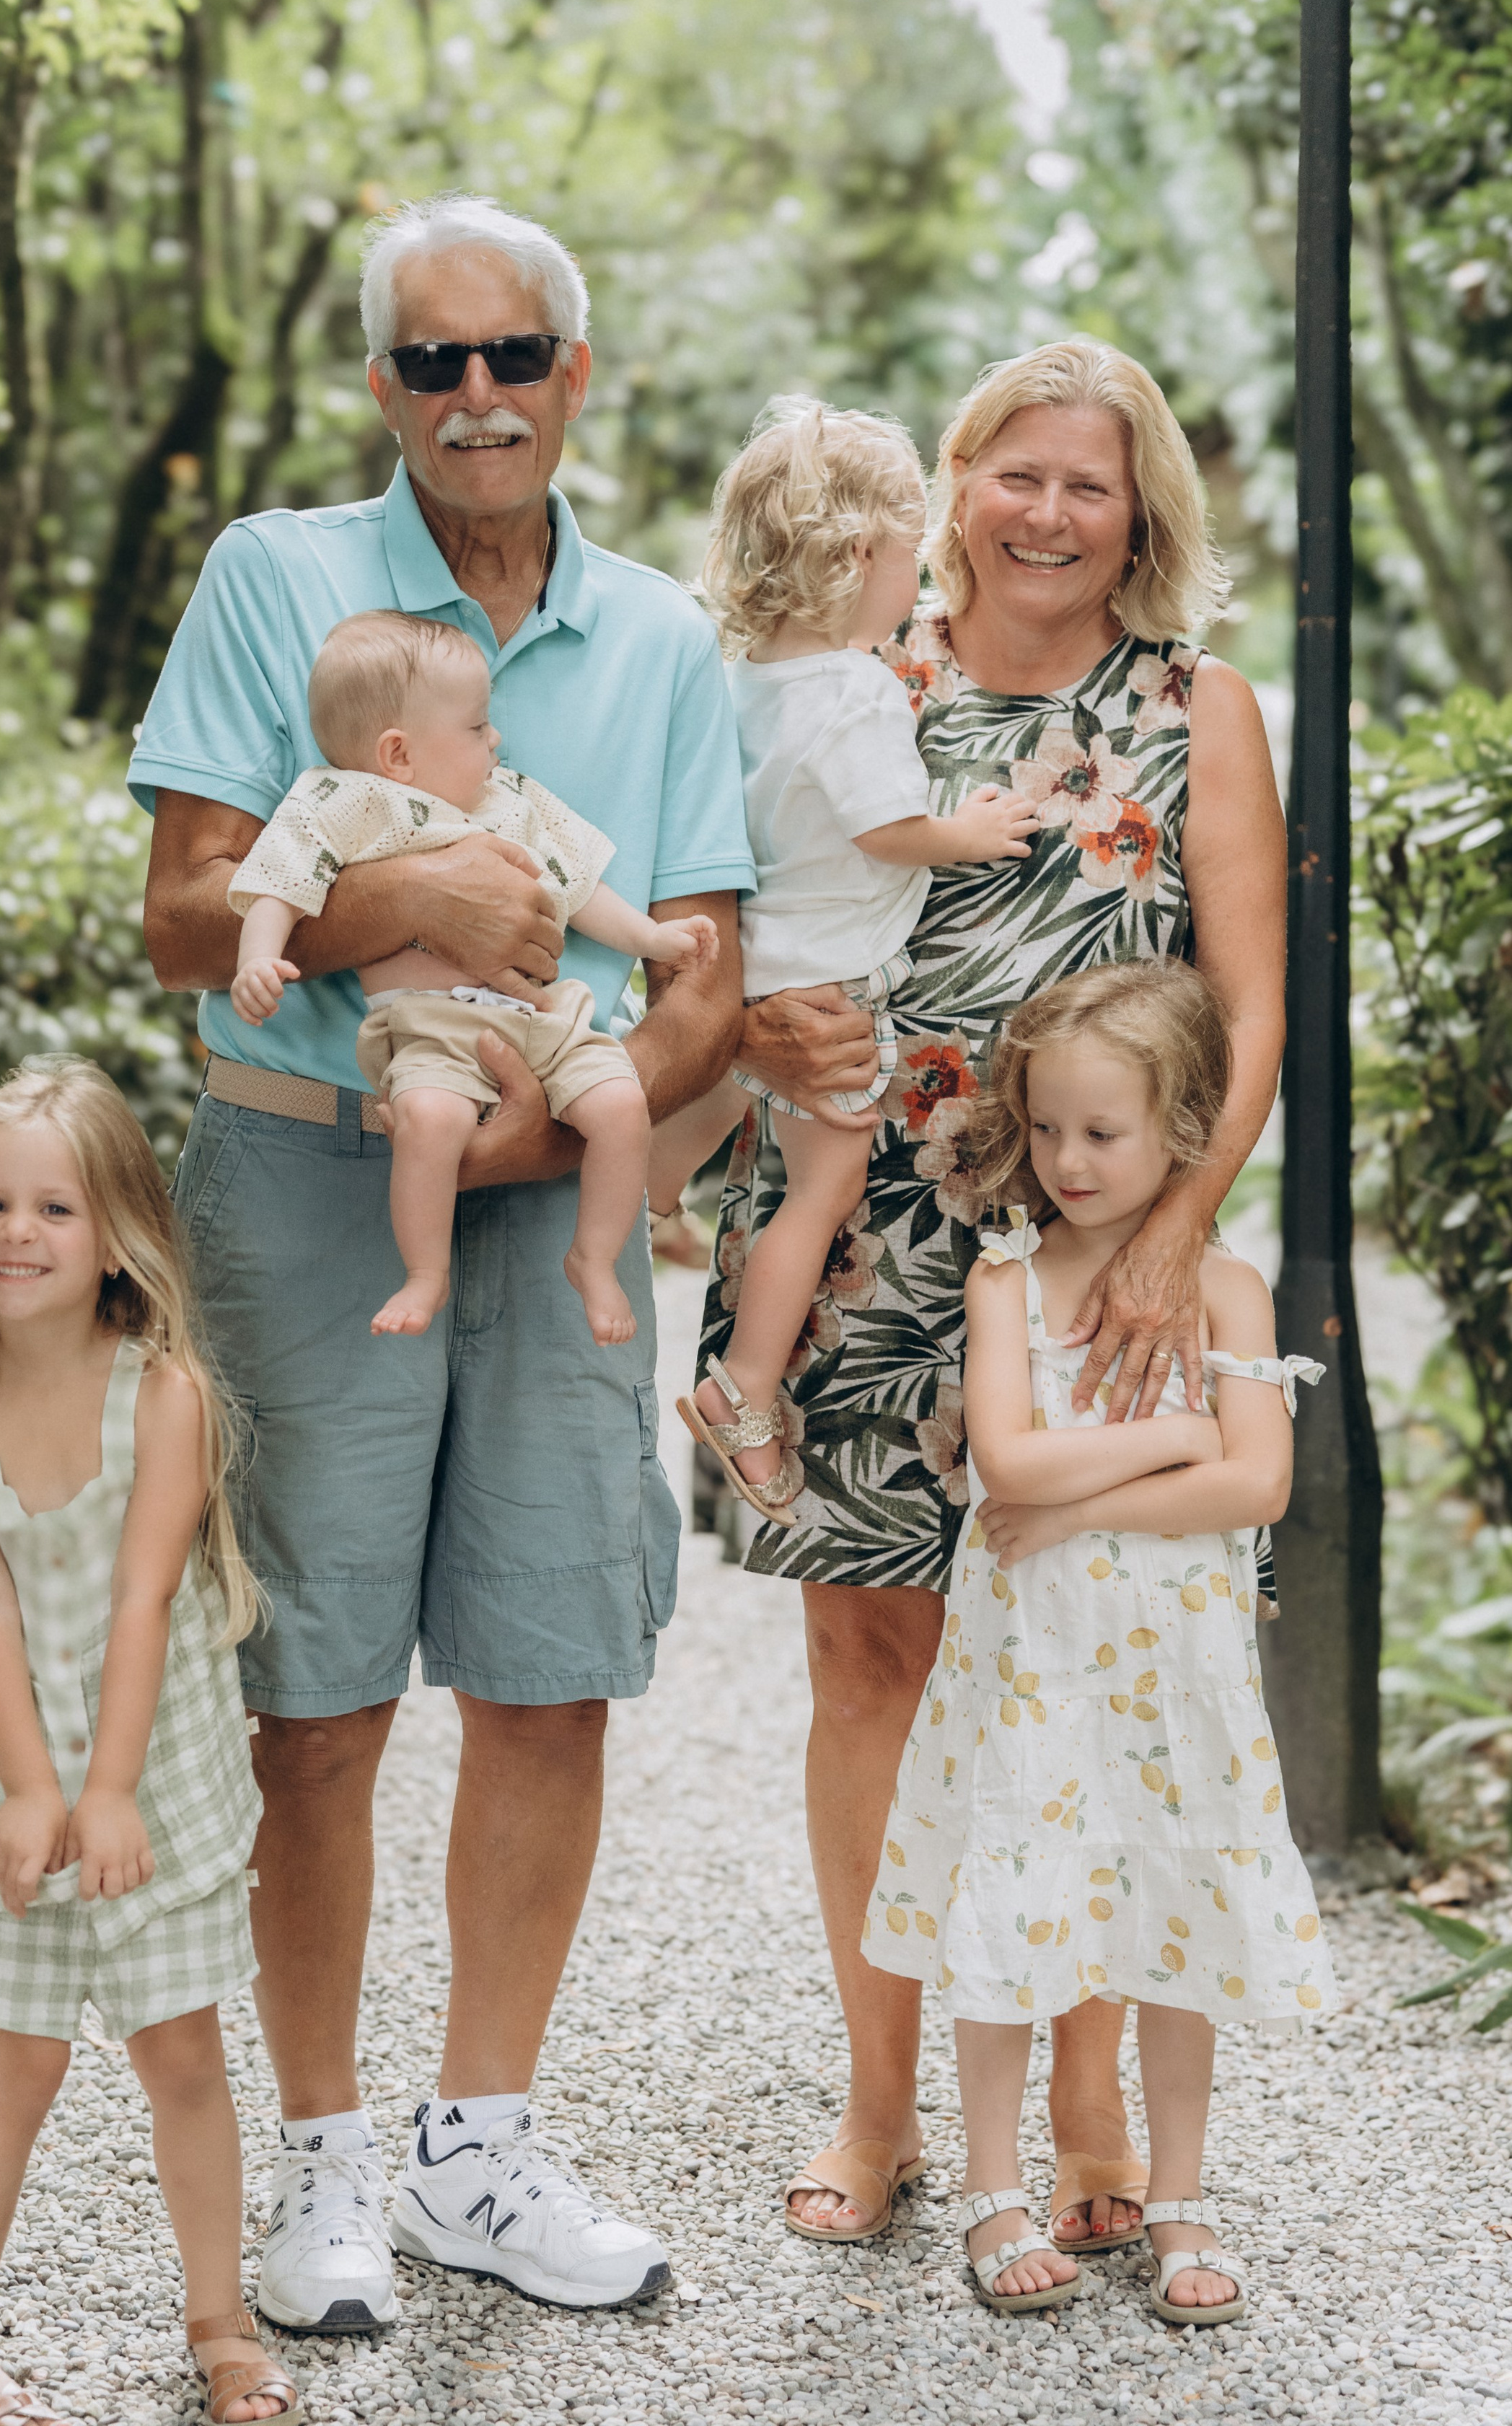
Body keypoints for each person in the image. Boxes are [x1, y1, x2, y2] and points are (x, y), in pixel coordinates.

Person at [131, 193, 752, 2329]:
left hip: (546, 1195)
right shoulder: (277, 580)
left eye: (513, 359)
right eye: (430, 362)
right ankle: (320, 2168)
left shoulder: (665, 638)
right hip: (312, 1182)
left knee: (551, 1662)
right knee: (307, 1694)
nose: (473, 398)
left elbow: (702, 971)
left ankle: (478, 2144)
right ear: (383, 386)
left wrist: (529, 1126)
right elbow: (185, 910)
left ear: (574, 378)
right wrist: (409, 913)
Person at [701, 340, 1287, 2251]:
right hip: (855, 1224)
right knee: (871, 1666)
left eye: (1087, 482)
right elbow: (724, 916)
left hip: (1100, 1248)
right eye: (1012, 473)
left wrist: (1184, 1237)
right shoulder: (848, 679)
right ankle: (879, 2107)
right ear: (952, 488)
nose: (1045, 511)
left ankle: (1098, 2118)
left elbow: (1253, 1002)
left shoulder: (1198, 707)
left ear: (1142, 511)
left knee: (1087, 1668)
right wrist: (751, 1032)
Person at [866, 960, 1329, 2321]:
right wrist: (1181, 1435)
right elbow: (1008, 1463)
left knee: (1171, 1928)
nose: (1067, 1160)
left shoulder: (1228, 1292)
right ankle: (993, 2191)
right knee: (1013, 1909)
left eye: (1103, 1133)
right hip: (1034, 1675)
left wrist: (1106, 1492)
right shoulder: (1008, 1275)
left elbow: (1257, 1486)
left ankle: (1180, 2199)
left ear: (1185, 1129)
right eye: (1049, 1127)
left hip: (1175, 1679)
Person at [0, 1062, 296, 2426]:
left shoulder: (159, 1391)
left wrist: (106, 1789)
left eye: (56, 1205)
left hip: (146, 1749)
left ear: (115, 1232)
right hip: (2, 1751)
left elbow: (143, 1594)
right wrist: (33, 1787)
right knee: (20, 2061)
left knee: (182, 2052)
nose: (19, 1232)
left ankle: (220, 2319)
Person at [647, 399, 1037, 1512]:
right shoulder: (856, 687)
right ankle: (746, 1391)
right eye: (909, 560)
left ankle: (638, 1191)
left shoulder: (743, 677)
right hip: (829, 980)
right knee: (820, 1194)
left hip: (761, 955)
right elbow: (884, 829)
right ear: (853, 556)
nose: (917, 588)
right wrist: (970, 832)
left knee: (723, 1097)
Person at [229, 607, 716, 1343]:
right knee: (430, 1121)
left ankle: (595, 1256)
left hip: (543, 1017)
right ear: (397, 754)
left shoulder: (509, 799)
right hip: (431, 1028)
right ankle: (425, 1272)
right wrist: (258, 957)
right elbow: (280, 882)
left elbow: (579, 887)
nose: (496, 738)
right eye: (476, 727)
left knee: (621, 1106)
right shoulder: (346, 802)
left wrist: (653, 936)